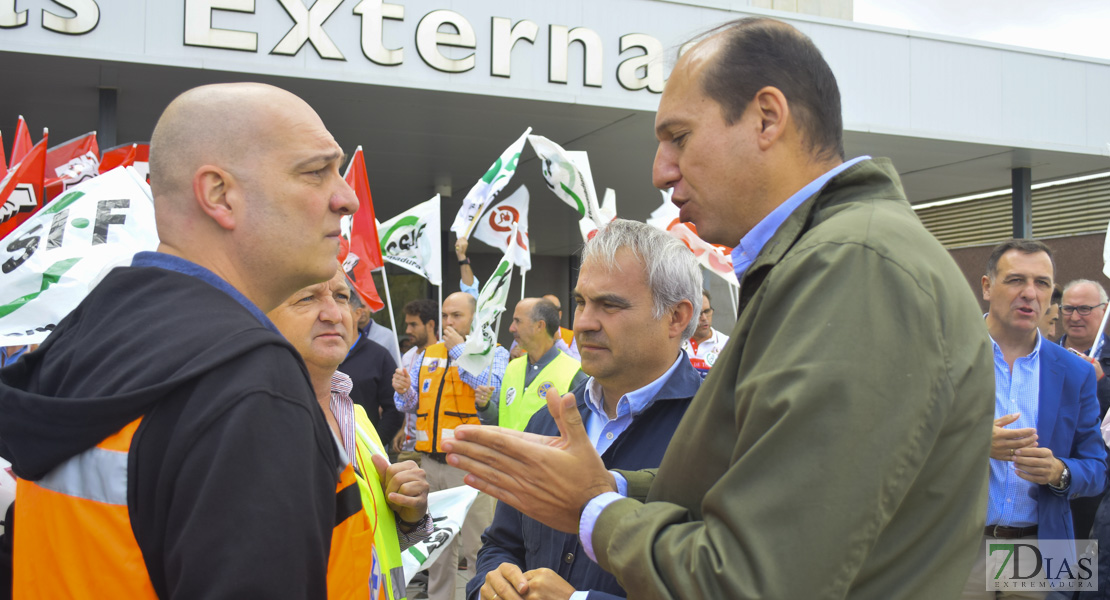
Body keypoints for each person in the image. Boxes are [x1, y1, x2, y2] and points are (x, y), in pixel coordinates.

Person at [443, 17, 995, 599]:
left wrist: (594, 510)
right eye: (581, 301)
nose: (660, 171)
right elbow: (744, 484)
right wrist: (609, 487)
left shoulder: (856, 267)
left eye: (679, 137)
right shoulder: (832, 260)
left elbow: (758, 577)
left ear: (766, 117)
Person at [0, 83, 361, 597]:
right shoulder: (246, 381)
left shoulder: (86, 335)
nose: (344, 198)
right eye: (315, 171)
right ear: (218, 194)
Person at [468, 220, 702, 600]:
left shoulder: (722, 431)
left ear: (676, 317)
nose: (583, 323)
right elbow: (501, 543)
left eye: (609, 305)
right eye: (580, 302)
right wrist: (492, 584)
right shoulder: (548, 420)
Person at [269, 268, 432, 600]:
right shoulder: (252, 425)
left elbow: (370, 545)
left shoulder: (357, 417)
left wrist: (409, 516)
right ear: (263, 316)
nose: (333, 313)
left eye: (341, 296)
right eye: (308, 297)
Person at [962, 240, 1106, 598]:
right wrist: (976, 444)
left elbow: (1098, 469)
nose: (1029, 293)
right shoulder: (944, 356)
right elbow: (900, 449)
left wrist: (1060, 472)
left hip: (1042, 546)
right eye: (1015, 280)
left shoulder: (1076, 372)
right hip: (956, 547)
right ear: (986, 286)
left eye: (1042, 283)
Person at [392, 291, 509, 600]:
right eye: (445, 316)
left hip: (471, 464)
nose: (448, 322)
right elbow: (410, 403)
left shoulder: (493, 351)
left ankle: (479, 596)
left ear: (473, 318)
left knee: (477, 543)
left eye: (456, 315)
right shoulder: (427, 353)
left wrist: (460, 350)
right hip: (430, 463)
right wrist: (402, 390)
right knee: (437, 544)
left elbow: (492, 390)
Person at [498, 298, 587, 431]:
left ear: (540, 326)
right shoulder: (512, 367)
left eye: (518, 321)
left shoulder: (574, 373)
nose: (511, 328)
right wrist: (485, 408)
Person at [340, 280, 403, 443]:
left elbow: (394, 408)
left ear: (358, 313)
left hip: (365, 453)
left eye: (343, 309)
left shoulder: (379, 355)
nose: (335, 315)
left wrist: (374, 443)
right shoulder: (317, 353)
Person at [392, 299, 440, 460]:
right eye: (407, 324)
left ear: (431, 325)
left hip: (433, 448)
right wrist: (403, 428)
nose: (408, 330)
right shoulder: (408, 356)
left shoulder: (444, 354)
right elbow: (411, 399)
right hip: (409, 444)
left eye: (414, 325)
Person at [509, 294, 580, 361]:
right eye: (542, 310)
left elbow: (578, 365)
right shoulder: (524, 333)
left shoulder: (572, 336)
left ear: (560, 314)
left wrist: (558, 340)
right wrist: (512, 357)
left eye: (551, 310)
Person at [680, 290, 729, 376]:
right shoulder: (675, 342)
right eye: (699, 313)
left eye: (707, 311)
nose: (704, 318)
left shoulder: (726, 344)